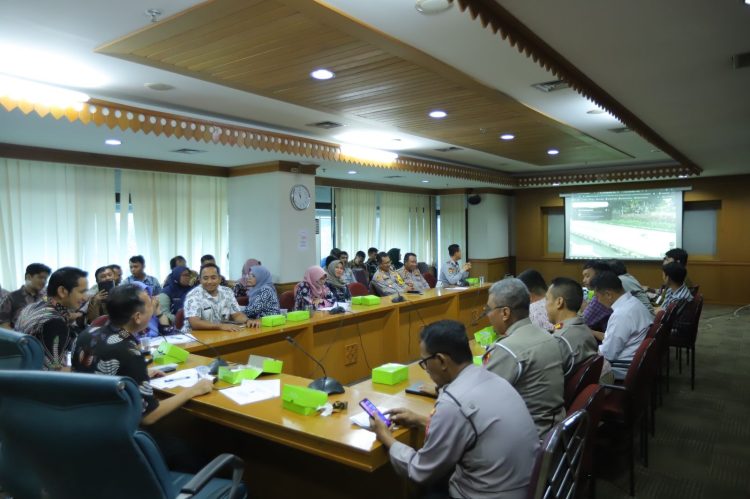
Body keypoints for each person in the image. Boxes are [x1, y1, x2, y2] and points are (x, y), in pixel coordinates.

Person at [369, 320, 539, 499]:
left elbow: (420, 470)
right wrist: (420, 420)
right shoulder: (492, 378)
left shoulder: (453, 403)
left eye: (425, 362)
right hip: (527, 487)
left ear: (442, 360)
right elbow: (475, 428)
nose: (425, 369)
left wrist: (386, 437)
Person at [72, 284, 213, 426]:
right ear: (138, 317)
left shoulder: (87, 334)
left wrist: (134, 374)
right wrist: (193, 390)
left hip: (82, 420)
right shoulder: (129, 352)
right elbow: (148, 416)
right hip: (113, 430)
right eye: (150, 303)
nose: (154, 304)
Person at [483, 278, 565, 437]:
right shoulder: (548, 336)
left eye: (488, 309)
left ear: (505, 313)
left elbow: (483, 402)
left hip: (526, 438)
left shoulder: (508, 349)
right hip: (555, 432)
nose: (487, 315)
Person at [15, 267, 88, 370]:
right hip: (37, 381)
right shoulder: (55, 322)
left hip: (21, 369)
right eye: (82, 292)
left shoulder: (32, 307)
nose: (85, 298)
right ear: (62, 291)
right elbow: (55, 371)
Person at [590, 271, 652, 381]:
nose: (597, 301)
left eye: (597, 297)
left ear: (608, 294)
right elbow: (613, 338)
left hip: (621, 368)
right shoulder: (633, 302)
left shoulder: (621, 314)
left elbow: (608, 354)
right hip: (636, 362)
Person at [545, 277, 599, 377]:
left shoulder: (559, 341)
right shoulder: (585, 329)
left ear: (559, 302)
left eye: (547, 299)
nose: (545, 305)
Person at [183, 263, 257, 332]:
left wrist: (247, 320)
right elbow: (195, 323)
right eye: (205, 278)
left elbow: (237, 315)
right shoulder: (193, 295)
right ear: (200, 279)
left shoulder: (227, 292)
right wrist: (221, 326)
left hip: (219, 334)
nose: (209, 282)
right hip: (194, 337)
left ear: (219, 279)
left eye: (213, 278)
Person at [0, 263, 51, 329]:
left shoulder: (46, 297)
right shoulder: (11, 298)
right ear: (28, 277)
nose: (43, 281)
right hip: (21, 337)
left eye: (46, 279)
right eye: (40, 277)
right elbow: (4, 325)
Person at [581, 260, 613, 337]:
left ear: (599, 276)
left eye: (587, 276)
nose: (584, 280)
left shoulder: (601, 298)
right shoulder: (610, 290)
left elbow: (581, 323)